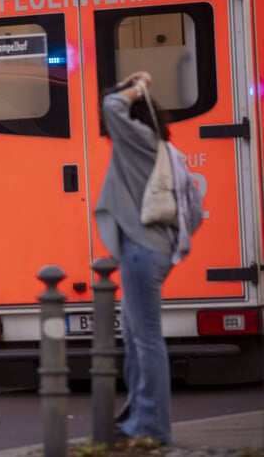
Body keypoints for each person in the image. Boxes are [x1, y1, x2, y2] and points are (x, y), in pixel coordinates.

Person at [95, 71, 203, 445]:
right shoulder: (163, 149)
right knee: (138, 337)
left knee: (146, 341)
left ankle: (152, 427)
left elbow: (111, 105)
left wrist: (133, 87)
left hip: (142, 252)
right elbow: (196, 209)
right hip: (152, 252)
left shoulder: (136, 141)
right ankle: (137, 418)